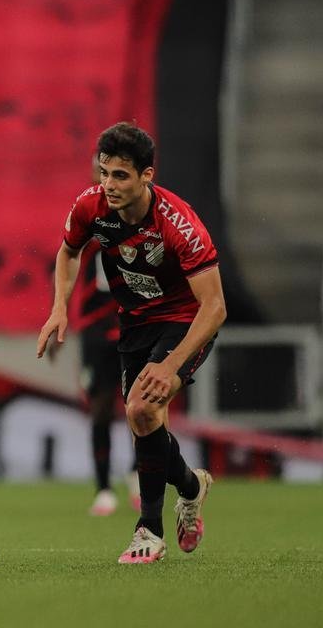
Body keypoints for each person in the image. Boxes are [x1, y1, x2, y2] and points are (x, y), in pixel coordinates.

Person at [37, 122, 226, 564]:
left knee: (142, 408)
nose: (108, 185)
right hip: (135, 323)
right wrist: (59, 307)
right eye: (104, 173)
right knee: (142, 419)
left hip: (184, 320)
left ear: (147, 175)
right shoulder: (91, 206)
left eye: (120, 175)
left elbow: (214, 307)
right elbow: (68, 252)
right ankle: (193, 487)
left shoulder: (180, 224)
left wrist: (172, 365)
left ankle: (150, 531)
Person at [72, 239, 140, 516]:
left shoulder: (143, 233)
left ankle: (138, 473)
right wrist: (59, 314)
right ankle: (104, 489)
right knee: (100, 409)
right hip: (97, 335)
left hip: (133, 328)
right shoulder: (88, 237)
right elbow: (65, 263)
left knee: (139, 406)